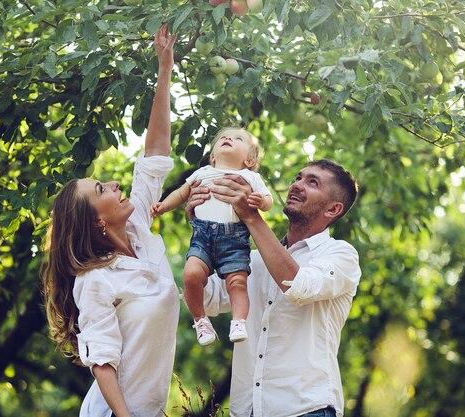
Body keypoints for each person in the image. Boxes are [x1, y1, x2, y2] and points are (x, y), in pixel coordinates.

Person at [41, 25, 178, 417]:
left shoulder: (140, 235)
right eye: (102, 189)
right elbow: (102, 360)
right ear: (96, 222)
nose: (116, 184)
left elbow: (154, 154)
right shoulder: (95, 280)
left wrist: (164, 70)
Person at [187, 159, 360, 417]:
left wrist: (250, 216)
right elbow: (207, 297)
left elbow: (298, 287)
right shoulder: (253, 260)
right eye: (298, 178)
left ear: (333, 209)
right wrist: (202, 228)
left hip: (306, 410)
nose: (297, 185)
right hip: (247, 411)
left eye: (312, 182)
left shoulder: (341, 255)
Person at [151, 128, 273, 346]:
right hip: (203, 237)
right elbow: (181, 193)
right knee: (190, 275)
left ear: (249, 160)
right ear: (213, 156)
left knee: (237, 283)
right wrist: (163, 206)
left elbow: (268, 199)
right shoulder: (202, 173)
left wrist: (261, 202)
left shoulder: (250, 177)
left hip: (234, 240)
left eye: (238, 139)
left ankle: (238, 322)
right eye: (223, 138)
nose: (228, 139)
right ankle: (200, 320)